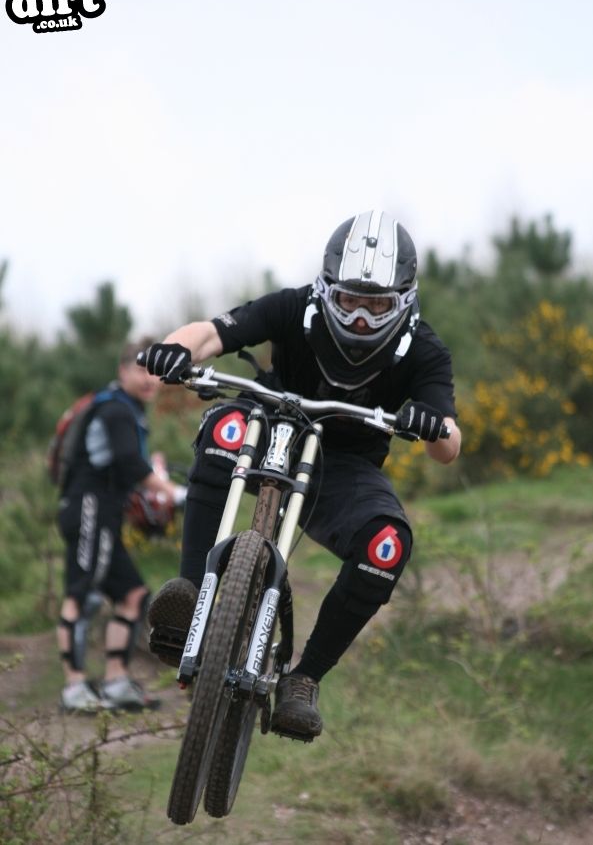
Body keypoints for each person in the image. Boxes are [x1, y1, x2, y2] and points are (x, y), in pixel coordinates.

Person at [143, 210, 462, 739]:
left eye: (376, 304)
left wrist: (433, 426)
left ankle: (304, 680)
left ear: (403, 300)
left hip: (343, 465)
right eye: (349, 301)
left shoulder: (425, 350)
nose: (361, 318)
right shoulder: (292, 307)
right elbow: (213, 332)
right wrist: (176, 347)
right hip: (267, 422)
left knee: (387, 544)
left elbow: (448, 445)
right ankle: (190, 593)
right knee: (223, 426)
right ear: (326, 289)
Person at [56, 337, 186, 713]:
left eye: (155, 372)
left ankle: (115, 682)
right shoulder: (115, 410)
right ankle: (74, 687)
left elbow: (130, 467)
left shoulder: (127, 410)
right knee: (79, 593)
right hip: (88, 509)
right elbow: (130, 465)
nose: (149, 379)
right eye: (140, 368)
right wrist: (173, 494)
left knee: (131, 594)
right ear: (122, 371)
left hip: (101, 514)